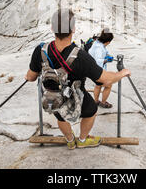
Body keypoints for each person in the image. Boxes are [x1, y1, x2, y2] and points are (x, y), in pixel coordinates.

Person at [25, 9, 131, 149]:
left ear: (52, 28)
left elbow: (31, 77)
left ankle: (70, 140)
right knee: (91, 110)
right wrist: (122, 73)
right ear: (73, 29)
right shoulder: (81, 56)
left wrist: (26, 76)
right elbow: (105, 80)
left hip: (53, 97)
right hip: (77, 97)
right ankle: (82, 140)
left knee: (60, 116)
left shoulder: (41, 51)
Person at [88, 30, 115, 108]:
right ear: (108, 41)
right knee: (108, 85)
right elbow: (98, 60)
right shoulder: (99, 48)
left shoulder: (98, 43)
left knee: (98, 85)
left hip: (93, 69)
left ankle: (96, 101)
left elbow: (104, 51)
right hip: (97, 69)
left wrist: (107, 55)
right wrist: (106, 60)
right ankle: (103, 102)